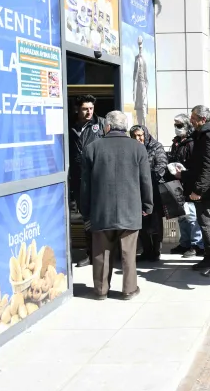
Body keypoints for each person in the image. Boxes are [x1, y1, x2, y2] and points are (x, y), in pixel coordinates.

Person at [81, 111, 153, 300]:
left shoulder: (92, 148)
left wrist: (85, 210)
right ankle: (129, 290)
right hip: (130, 209)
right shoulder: (138, 148)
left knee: (101, 253)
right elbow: (146, 180)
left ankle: (101, 290)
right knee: (129, 254)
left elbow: (85, 185)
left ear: (108, 126)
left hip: (100, 210)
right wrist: (147, 205)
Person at [177, 106, 210, 273]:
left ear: (203, 119)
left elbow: (209, 167)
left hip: (209, 187)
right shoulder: (203, 134)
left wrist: (198, 190)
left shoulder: (209, 136)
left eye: (194, 117)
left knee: (207, 222)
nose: (191, 120)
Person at [70, 94, 106, 268]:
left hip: (98, 178)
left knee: (100, 216)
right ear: (78, 109)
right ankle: (90, 253)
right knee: (86, 217)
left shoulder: (101, 125)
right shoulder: (70, 126)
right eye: (85, 109)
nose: (89, 112)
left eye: (91, 108)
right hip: (78, 179)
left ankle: (104, 252)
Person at [130, 125, 168, 261]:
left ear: (145, 134)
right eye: (134, 136)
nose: (138, 138)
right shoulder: (131, 148)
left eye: (140, 135)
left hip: (154, 190)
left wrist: (146, 178)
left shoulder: (156, 147)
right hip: (137, 191)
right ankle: (146, 249)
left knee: (155, 221)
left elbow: (161, 166)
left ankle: (156, 250)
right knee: (141, 222)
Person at [168, 114, 202, 257]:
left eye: (180, 125)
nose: (177, 128)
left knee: (192, 216)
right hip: (178, 183)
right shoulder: (176, 142)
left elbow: (195, 164)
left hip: (189, 182)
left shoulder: (192, 141)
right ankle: (185, 242)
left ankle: (197, 244)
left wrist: (184, 172)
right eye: (175, 125)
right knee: (181, 215)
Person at [132, 35, 148, 126]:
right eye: (139, 46)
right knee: (138, 103)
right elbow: (134, 72)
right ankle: (139, 123)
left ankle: (144, 124)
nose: (140, 48)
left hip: (143, 83)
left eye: (141, 46)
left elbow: (146, 72)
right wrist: (133, 87)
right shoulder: (136, 58)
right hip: (138, 83)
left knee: (143, 102)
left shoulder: (144, 58)